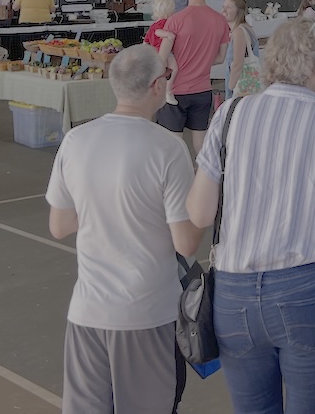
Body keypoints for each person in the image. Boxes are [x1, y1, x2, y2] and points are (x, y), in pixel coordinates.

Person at [187, 17, 315, 412]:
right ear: (312, 65)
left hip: (233, 297)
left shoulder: (230, 115)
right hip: (307, 293)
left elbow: (200, 213)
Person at [46, 45, 204, 414]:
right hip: (146, 314)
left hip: (87, 312)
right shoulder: (167, 147)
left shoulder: (76, 140)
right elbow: (184, 241)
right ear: (155, 86)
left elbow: (60, 225)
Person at [157, 0, 230, 154]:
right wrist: (201, 60)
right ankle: (206, 180)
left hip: (175, 91)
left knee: (174, 147)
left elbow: (162, 58)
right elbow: (221, 58)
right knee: (201, 147)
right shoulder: (221, 21)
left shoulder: (175, 20)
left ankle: (179, 182)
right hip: (203, 90)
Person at [223, 0, 261, 99]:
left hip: (239, 89)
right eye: (224, 6)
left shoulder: (239, 31)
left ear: (239, 11)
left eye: (229, 7)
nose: (224, 10)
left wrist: (230, 87)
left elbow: (237, 64)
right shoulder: (245, 28)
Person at [145, 0, 180, 105]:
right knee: (174, 68)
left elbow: (146, 40)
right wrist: (169, 35)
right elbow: (158, 32)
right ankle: (168, 90)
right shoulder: (165, 23)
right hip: (163, 50)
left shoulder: (153, 25)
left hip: (153, 51)